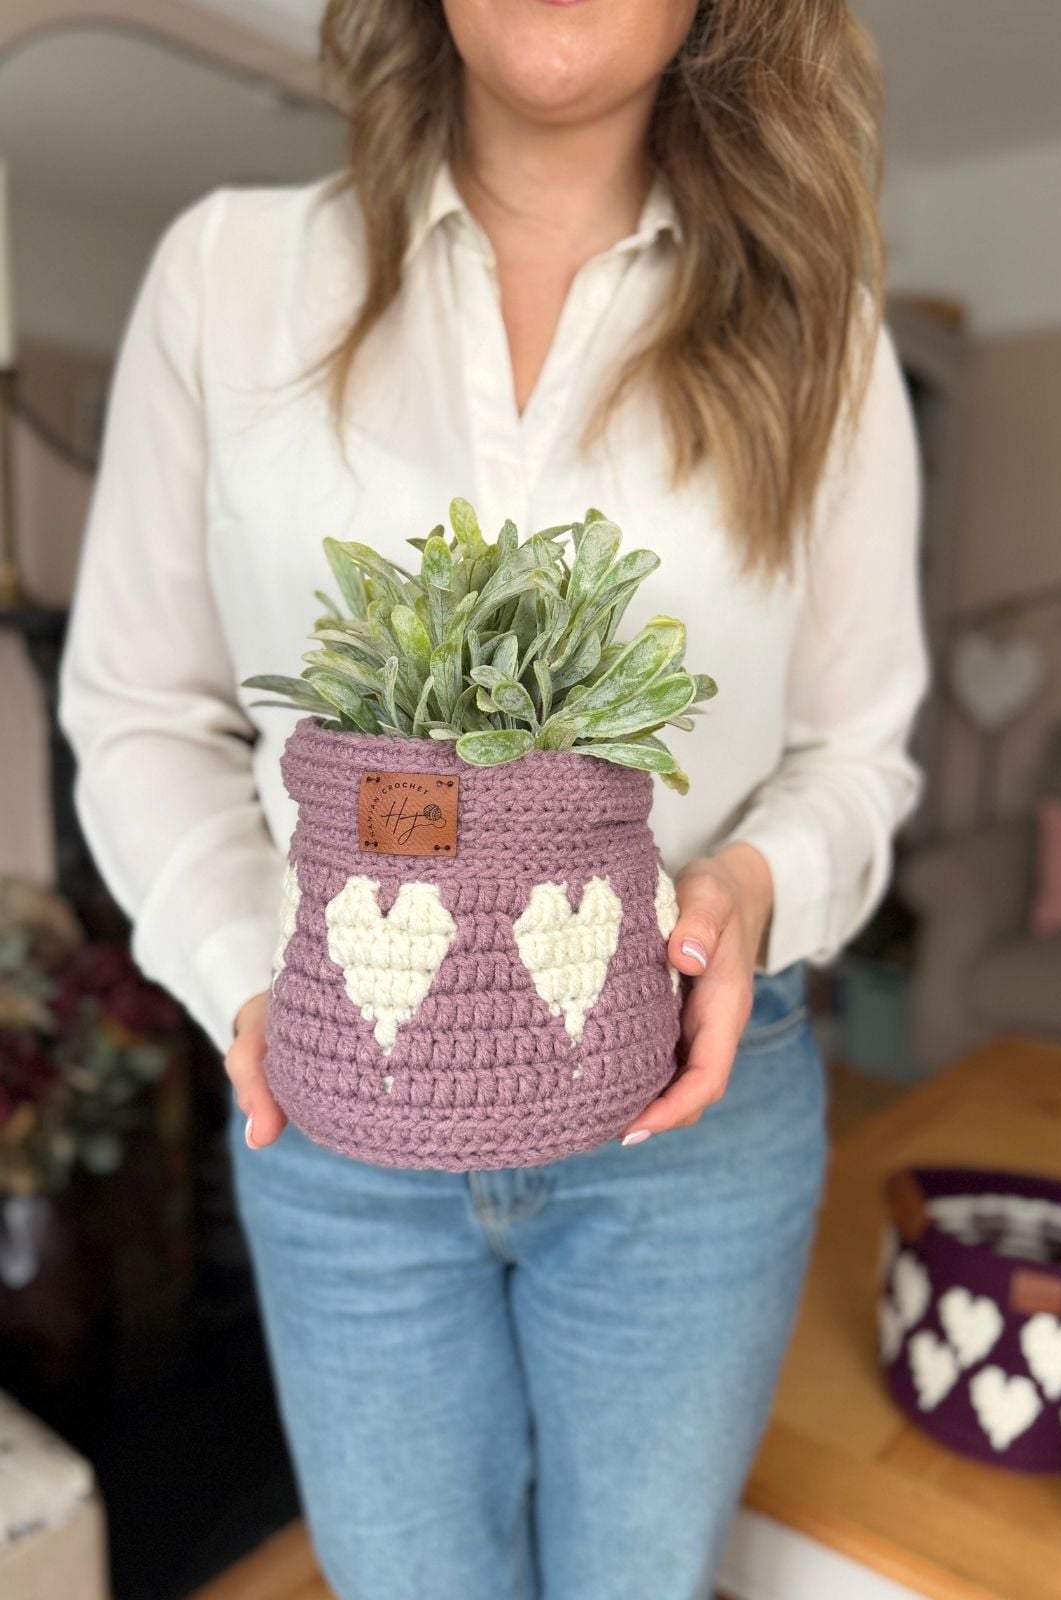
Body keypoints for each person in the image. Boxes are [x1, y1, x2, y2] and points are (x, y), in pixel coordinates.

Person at [58, 1, 928, 1595]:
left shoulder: (824, 332)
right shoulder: (229, 277)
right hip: (335, 1104)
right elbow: (135, 707)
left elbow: (858, 751)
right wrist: (253, 977)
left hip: (691, 1111)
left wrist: (746, 891)